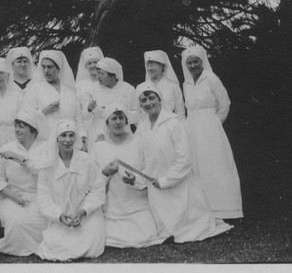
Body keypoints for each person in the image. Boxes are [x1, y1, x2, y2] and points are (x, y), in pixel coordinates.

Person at [130, 83, 231, 243]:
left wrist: (166, 180)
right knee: (165, 228)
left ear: (159, 99)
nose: (148, 103)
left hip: (179, 183)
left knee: (185, 227)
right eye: (143, 100)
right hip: (156, 188)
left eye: (151, 98)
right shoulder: (142, 129)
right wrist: (137, 179)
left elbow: (185, 159)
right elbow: (140, 159)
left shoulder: (174, 123)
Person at [181, 45, 243, 220]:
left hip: (211, 129)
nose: (193, 66)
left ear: (203, 62)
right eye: (189, 63)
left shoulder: (212, 79)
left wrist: (214, 123)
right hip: (192, 128)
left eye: (196, 62)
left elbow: (225, 104)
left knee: (216, 166)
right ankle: (203, 209)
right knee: (197, 167)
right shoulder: (186, 84)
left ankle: (225, 210)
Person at [91, 104, 165, 248]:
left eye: (121, 118)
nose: (118, 122)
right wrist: (106, 172)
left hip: (136, 203)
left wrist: (134, 180)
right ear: (107, 122)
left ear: (126, 121)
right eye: (113, 119)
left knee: (144, 234)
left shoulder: (138, 144)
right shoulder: (99, 147)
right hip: (112, 205)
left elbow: (149, 173)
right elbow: (92, 181)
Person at [37, 120, 106, 262]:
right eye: (63, 135)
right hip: (61, 216)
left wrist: (83, 212)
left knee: (93, 245)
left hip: (88, 215)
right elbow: (44, 198)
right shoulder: (47, 165)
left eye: (71, 135)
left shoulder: (87, 160)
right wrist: (59, 216)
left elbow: (97, 189)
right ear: (56, 138)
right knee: (54, 245)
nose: (67, 140)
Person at [0, 108, 50, 256]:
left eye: (21, 126)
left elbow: (48, 175)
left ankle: (45, 245)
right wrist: (13, 196)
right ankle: (18, 246)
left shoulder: (46, 148)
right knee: (17, 222)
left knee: (48, 221)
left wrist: (22, 159)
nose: (16, 130)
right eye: (16, 126)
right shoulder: (6, 149)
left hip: (41, 196)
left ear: (33, 129)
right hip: (13, 197)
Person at [22, 50, 87, 148]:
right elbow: (25, 116)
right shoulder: (35, 89)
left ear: (58, 68)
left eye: (50, 67)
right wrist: (43, 112)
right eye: (43, 67)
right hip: (46, 141)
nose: (46, 71)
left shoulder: (70, 90)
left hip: (69, 141)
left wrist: (83, 140)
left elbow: (78, 117)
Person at [84, 57, 139, 147]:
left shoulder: (128, 89)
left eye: (101, 74)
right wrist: (89, 109)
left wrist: (120, 114)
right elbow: (84, 116)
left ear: (112, 75)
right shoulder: (93, 89)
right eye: (97, 74)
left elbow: (136, 115)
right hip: (99, 134)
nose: (98, 77)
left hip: (122, 133)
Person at [138, 50, 185, 120]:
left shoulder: (173, 86)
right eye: (148, 65)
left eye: (153, 65)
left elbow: (180, 112)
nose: (150, 68)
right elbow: (138, 114)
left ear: (162, 66)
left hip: (170, 126)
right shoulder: (140, 87)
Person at [75, 46, 104, 134]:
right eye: (89, 63)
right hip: (87, 127)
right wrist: (88, 109)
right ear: (86, 66)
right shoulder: (79, 86)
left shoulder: (107, 82)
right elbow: (77, 112)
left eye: (95, 62)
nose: (93, 65)